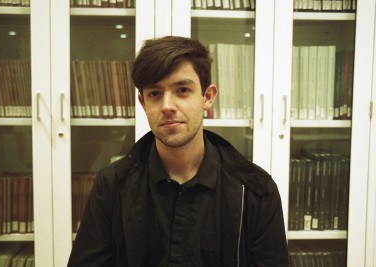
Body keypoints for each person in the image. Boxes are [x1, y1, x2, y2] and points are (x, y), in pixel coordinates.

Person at [68, 36, 288, 266]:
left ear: (208, 97)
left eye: (182, 90)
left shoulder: (256, 191)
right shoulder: (112, 185)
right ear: (143, 104)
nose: (167, 106)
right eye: (155, 94)